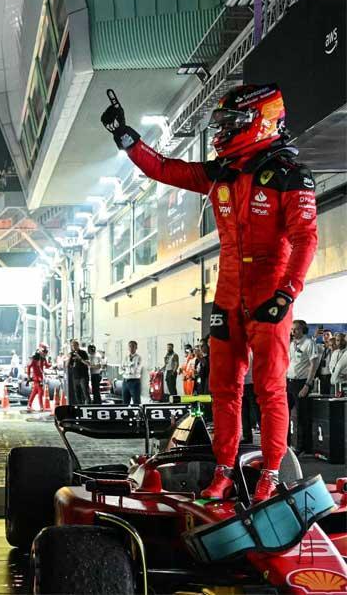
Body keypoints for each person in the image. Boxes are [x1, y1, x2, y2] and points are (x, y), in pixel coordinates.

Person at [102, 83, 318, 503]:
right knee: (223, 388)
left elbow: (306, 239)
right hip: (227, 293)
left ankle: (270, 474)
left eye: (232, 123)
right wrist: (129, 141)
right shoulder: (221, 172)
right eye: (222, 123)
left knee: (269, 387)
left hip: (269, 292)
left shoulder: (291, 176)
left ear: (262, 120)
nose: (222, 132)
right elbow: (166, 169)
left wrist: (287, 293)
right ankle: (223, 470)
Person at [289, 320, 316, 403]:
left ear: (303, 330)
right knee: (287, 412)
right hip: (289, 382)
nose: (293, 332)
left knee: (301, 413)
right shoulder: (291, 343)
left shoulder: (309, 343)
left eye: (296, 329)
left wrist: (307, 385)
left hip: (301, 383)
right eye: (291, 329)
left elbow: (313, 365)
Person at [66, 340, 90, 405]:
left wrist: (79, 358)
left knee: (85, 392)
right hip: (75, 376)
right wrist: (70, 357)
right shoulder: (71, 354)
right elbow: (67, 365)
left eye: (74, 345)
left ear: (77, 345)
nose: (73, 347)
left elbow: (88, 363)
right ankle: (80, 406)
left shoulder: (83, 353)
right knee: (77, 393)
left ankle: (88, 406)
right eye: (72, 346)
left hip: (83, 376)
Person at [26, 347, 48, 411]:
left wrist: (50, 364)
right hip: (37, 378)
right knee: (40, 392)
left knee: (34, 392)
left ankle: (29, 405)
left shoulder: (42, 359)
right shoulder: (34, 360)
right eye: (44, 352)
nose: (45, 354)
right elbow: (28, 367)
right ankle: (41, 406)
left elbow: (47, 365)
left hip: (40, 378)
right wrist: (28, 376)